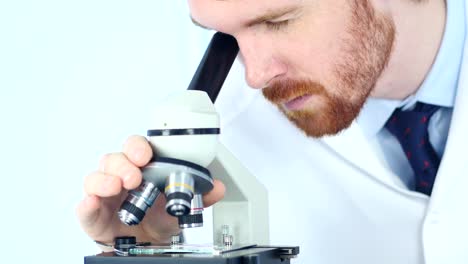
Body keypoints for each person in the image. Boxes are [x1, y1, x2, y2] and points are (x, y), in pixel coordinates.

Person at [77, 0, 468, 263]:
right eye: (226, 37)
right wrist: (151, 249)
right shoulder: (219, 134)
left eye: (278, 21)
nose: (255, 76)